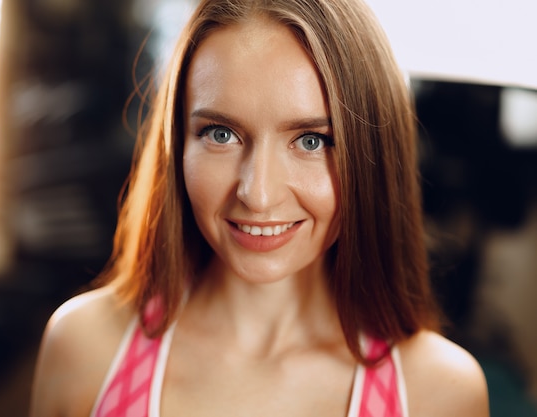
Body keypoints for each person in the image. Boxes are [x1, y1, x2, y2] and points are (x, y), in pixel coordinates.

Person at [30, 0, 490, 416]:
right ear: (177, 144)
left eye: (311, 140)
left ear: (372, 156)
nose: (258, 193)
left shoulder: (439, 392)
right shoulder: (84, 347)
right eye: (220, 134)